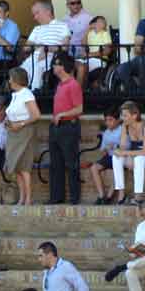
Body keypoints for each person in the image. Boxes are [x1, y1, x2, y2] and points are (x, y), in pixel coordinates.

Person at [47, 54, 83, 206]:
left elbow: (79, 108)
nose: (53, 67)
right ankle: (56, 197)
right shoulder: (60, 85)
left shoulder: (73, 85)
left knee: (71, 163)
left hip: (68, 127)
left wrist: (62, 114)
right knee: (56, 164)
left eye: (56, 64)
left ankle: (74, 198)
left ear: (63, 67)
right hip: (57, 127)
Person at [4, 68, 40, 206]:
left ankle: (28, 198)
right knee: (17, 167)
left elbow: (36, 115)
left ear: (16, 79)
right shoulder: (15, 95)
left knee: (24, 166)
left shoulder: (26, 94)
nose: (9, 81)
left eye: (11, 78)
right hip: (13, 133)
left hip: (24, 133)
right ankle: (21, 198)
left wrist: (21, 124)